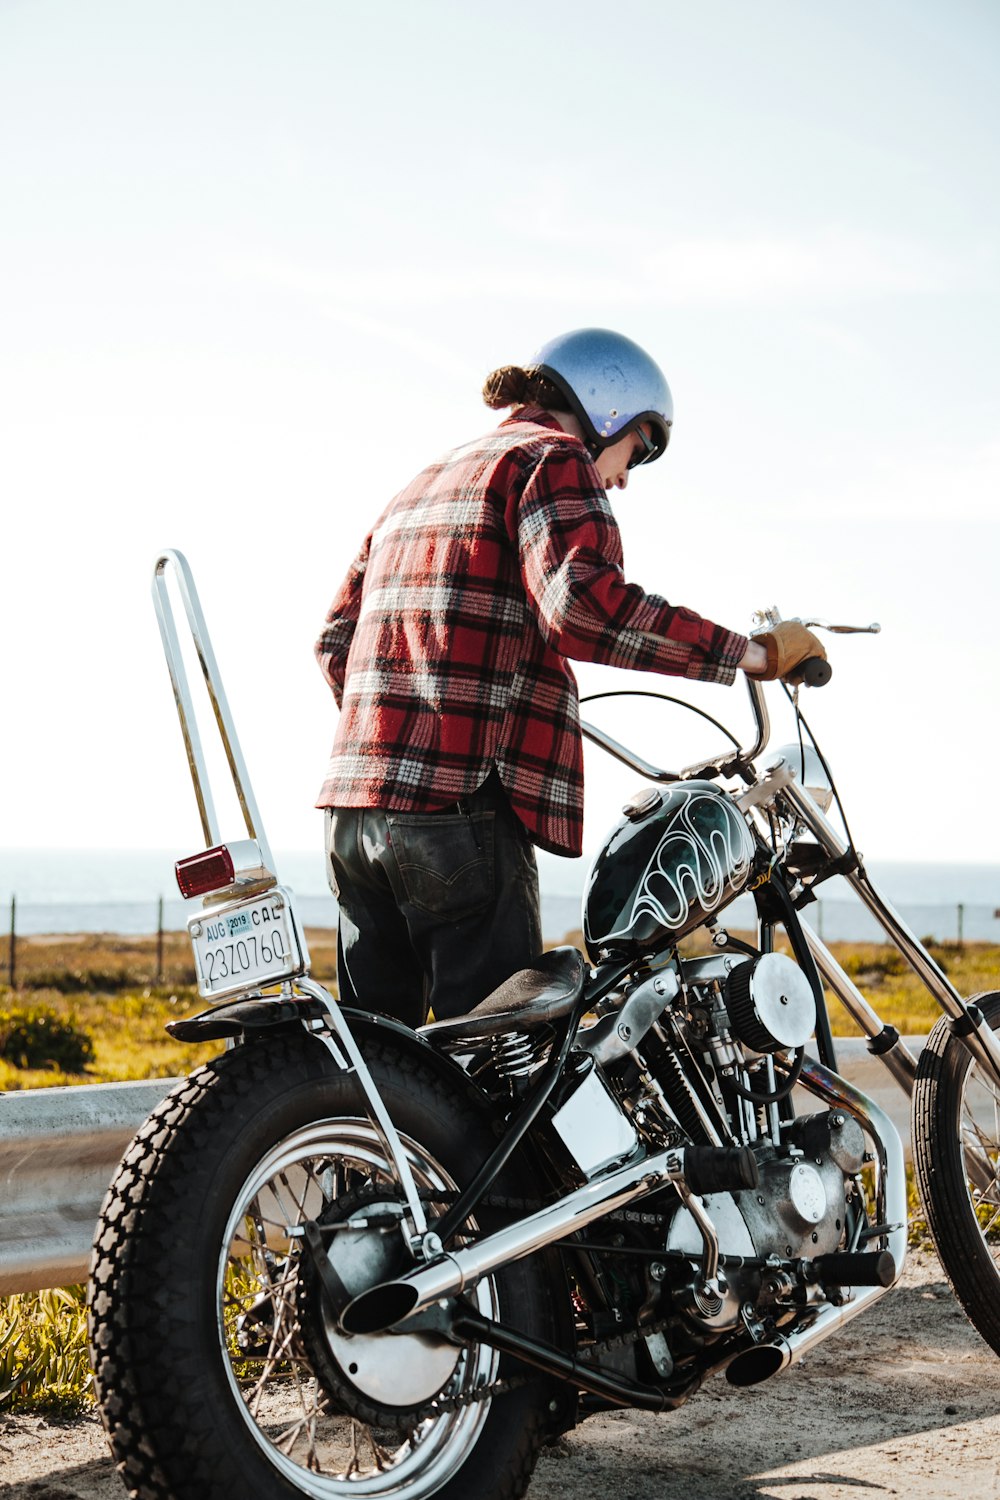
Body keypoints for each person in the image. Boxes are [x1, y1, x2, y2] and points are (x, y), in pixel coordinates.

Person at [314, 327, 824, 1027]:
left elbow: (334, 640)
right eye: (640, 448)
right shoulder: (551, 458)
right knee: (495, 1067)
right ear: (604, 406)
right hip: (459, 814)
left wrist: (415, 720)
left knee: (382, 1064)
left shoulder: (424, 482)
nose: (622, 475)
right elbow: (582, 607)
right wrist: (753, 654)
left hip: (354, 813)